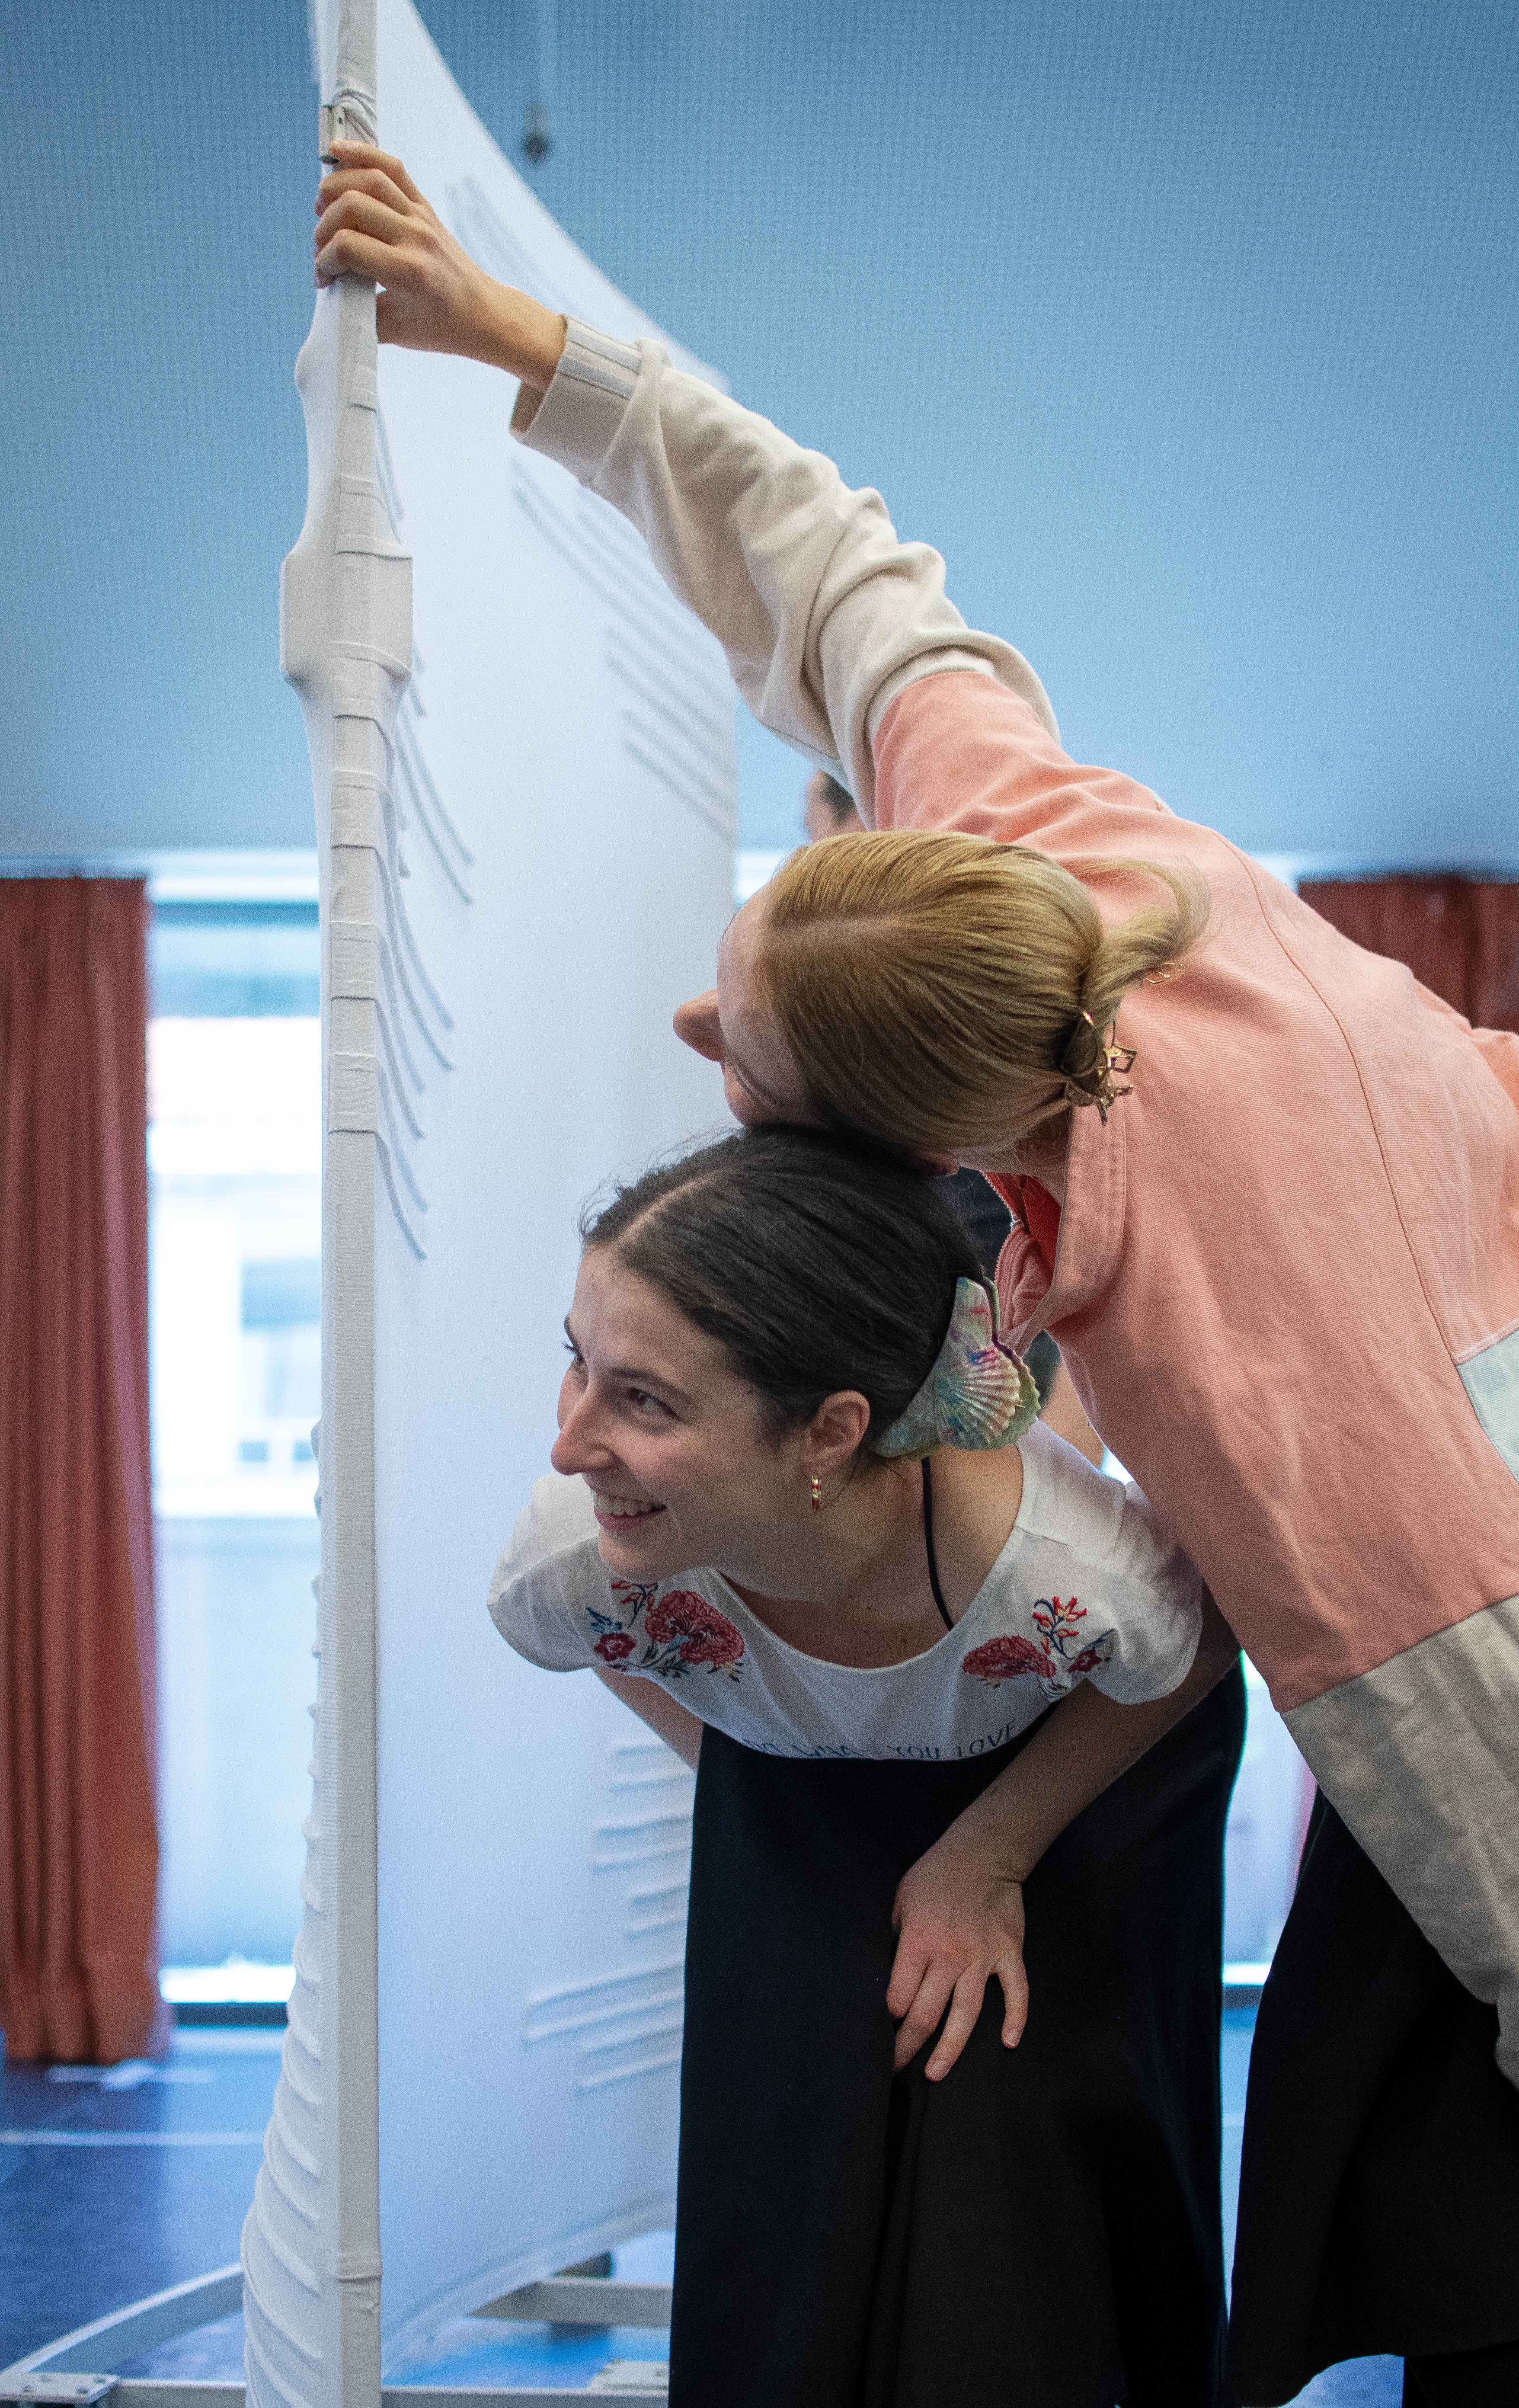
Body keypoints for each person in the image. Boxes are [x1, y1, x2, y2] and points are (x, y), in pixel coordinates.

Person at [312, 148, 1519, 2401]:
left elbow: (1460, 1729)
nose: (696, 1028)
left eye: (738, 1051)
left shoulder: (1262, 1387)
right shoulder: (1016, 843)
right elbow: (819, 555)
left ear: (923, 1162)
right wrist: (521, 342)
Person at [489, 1123, 1244, 2408]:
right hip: (816, 1770)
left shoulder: (1063, 1576)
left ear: (830, 1433)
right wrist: (776, 1767)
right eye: (579, 1365)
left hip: (1083, 1759)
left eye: (644, 1400)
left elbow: (1191, 1654)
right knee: (796, 2134)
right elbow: (603, 1639)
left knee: (1004, 2161)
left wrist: (989, 1853)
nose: (570, 1443)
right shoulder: (572, 1561)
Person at [799, 769, 1106, 1468]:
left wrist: (1068, 1457)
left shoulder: (955, 989)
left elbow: (1081, 1224)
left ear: (859, 823)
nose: (805, 850)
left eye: (809, 826)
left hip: (1002, 1370)